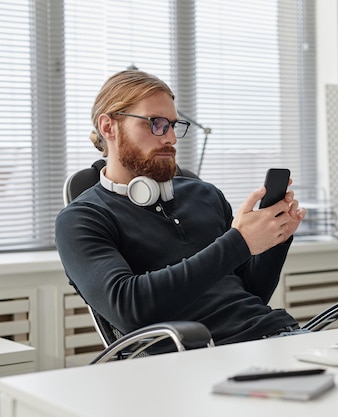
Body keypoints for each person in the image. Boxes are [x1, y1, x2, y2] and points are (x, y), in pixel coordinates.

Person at [55, 69, 307, 346]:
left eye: (174, 125)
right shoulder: (81, 219)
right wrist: (239, 243)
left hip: (278, 335)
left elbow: (250, 294)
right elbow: (128, 307)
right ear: (108, 127)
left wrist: (275, 239)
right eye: (156, 123)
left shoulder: (206, 195)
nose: (171, 138)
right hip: (205, 358)